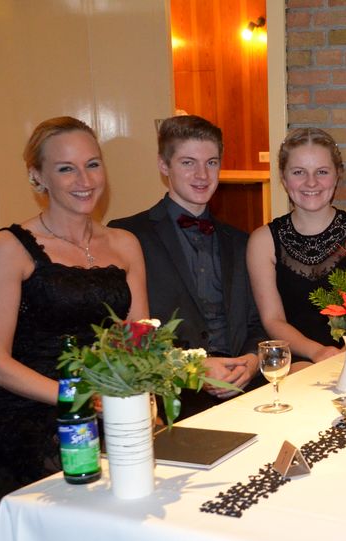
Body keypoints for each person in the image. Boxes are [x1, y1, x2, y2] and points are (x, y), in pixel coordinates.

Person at [0, 116, 148, 522]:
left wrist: (135, 398)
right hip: (31, 408)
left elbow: (137, 338)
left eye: (92, 164)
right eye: (66, 168)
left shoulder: (125, 244)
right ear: (37, 176)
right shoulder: (9, 248)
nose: (85, 180)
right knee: (95, 489)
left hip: (104, 401)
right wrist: (79, 399)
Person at [110, 115, 266, 417]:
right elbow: (125, 335)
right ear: (163, 165)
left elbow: (258, 322)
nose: (202, 175)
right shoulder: (128, 236)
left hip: (244, 390)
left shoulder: (241, 241)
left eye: (211, 163)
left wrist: (251, 361)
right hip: (172, 397)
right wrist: (194, 368)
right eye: (187, 163)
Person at [246, 128, 346, 368]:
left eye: (322, 172)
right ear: (283, 178)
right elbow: (273, 320)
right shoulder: (263, 241)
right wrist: (318, 353)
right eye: (298, 172)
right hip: (294, 361)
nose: (311, 182)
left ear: (337, 175)